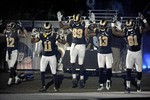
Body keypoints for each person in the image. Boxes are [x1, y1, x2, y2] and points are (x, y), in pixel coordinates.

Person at [111, 13, 150, 93]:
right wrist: (144, 20)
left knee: (139, 70)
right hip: (130, 52)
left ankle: (138, 84)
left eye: (129, 27)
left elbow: (148, 28)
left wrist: (113, 23)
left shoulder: (137, 30)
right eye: (127, 26)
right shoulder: (130, 31)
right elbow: (114, 33)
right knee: (128, 70)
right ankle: (128, 87)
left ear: (133, 25)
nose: (128, 28)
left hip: (137, 52)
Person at [57, 11, 89, 88]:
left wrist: (87, 27)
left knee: (81, 63)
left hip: (81, 45)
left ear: (80, 20)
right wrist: (59, 19)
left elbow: (87, 35)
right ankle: (74, 78)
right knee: (72, 62)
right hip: (74, 45)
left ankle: (81, 79)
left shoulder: (84, 24)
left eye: (77, 21)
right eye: (75, 21)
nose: (75, 22)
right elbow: (63, 27)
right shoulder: (72, 24)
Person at [31, 22, 65, 92]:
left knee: (54, 72)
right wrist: (32, 36)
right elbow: (33, 41)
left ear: (51, 28)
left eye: (48, 29)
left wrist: (62, 37)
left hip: (52, 56)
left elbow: (63, 42)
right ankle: (43, 86)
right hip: (44, 56)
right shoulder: (41, 35)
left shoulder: (54, 35)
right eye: (45, 29)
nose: (47, 31)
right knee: (42, 71)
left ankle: (56, 87)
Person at [0, 21, 28, 86]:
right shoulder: (6, 32)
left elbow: (26, 35)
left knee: (12, 66)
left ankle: (10, 79)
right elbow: (1, 34)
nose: (8, 28)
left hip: (14, 51)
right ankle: (16, 77)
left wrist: (22, 27)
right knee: (11, 67)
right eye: (8, 27)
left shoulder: (16, 32)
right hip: (8, 51)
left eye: (10, 27)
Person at [93, 19, 113, 91]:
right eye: (101, 26)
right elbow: (94, 28)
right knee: (101, 69)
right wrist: (94, 22)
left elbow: (112, 32)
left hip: (108, 53)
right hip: (100, 53)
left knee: (108, 69)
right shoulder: (98, 31)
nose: (101, 27)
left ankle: (108, 81)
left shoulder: (109, 31)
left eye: (103, 26)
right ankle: (101, 84)